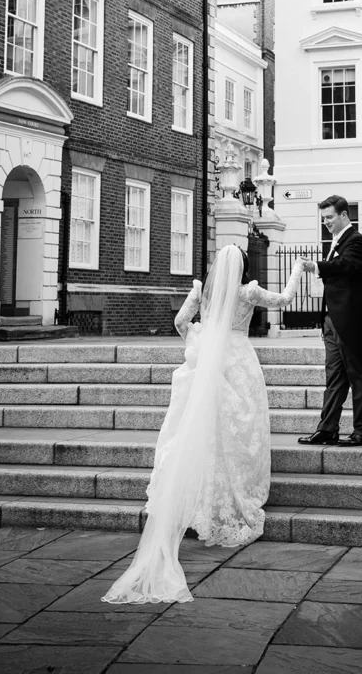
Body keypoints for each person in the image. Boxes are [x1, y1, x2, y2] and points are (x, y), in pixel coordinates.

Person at [103, 244, 305, 605]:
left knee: (206, 432)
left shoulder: (202, 291)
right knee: (237, 432)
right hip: (239, 362)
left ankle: (197, 504)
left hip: (209, 363)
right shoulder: (249, 291)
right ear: (242, 265)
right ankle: (233, 498)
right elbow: (285, 300)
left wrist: (200, 340)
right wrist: (297, 268)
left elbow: (181, 322)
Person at [299, 195, 362, 448]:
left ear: (344, 215)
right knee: (334, 378)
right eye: (323, 219)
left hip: (352, 320)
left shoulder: (357, 242)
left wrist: (317, 266)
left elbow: (347, 266)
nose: (326, 222)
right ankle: (327, 429)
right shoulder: (336, 242)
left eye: (330, 217)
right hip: (332, 321)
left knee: (358, 376)